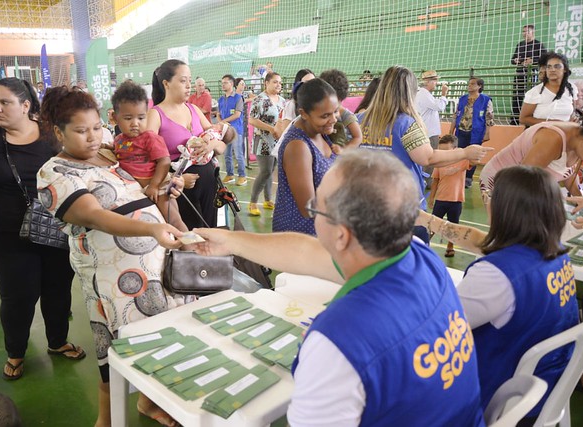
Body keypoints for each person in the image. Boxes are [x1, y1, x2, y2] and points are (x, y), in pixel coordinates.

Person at [194, 150, 485, 426]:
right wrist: (230, 241)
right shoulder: (419, 257)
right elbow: (304, 253)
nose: (314, 214)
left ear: (342, 237)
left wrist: (324, 344)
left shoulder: (337, 344)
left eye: (317, 208)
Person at [37, 86, 190, 427]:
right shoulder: (54, 173)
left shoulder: (109, 154)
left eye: (95, 127)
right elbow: (93, 215)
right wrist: (150, 230)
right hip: (112, 280)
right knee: (116, 352)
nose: (92, 137)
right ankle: (105, 420)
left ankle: (149, 403)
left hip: (154, 267)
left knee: (160, 337)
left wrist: (171, 188)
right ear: (59, 132)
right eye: (80, 131)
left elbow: (139, 191)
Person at [419, 166, 579, 425]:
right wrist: (427, 220)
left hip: (501, 393)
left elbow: (437, 325)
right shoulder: (554, 251)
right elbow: (486, 243)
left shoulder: (496, 276)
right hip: (545, 383)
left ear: (507, 211)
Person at [0, 78, 84, 381]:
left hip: (54, 228)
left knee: (57, 288)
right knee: (18, 296)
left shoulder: (50, 136)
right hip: (6, 233)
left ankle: (57, 342)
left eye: (5, 103)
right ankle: (16, 352)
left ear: (26, 106)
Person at [359, 66, 491, 242]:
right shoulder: (405, 123)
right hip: (404, 207)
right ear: (409, 92)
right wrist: (465, 152)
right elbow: (428, 157)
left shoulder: (360, 120)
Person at [147, 59, 228, 229]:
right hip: (179, 190)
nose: (188, 86)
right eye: (183, 81)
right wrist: (177, 179)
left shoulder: (193, 109)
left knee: (211, 233)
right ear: (166, 83)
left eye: (190, 81)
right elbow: (148, 160)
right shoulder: (155, 114)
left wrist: (211, 145)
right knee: (189, 240)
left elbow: (221, 144)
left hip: (209, 184)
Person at [109, 81, 188, 231]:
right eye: (128, 118)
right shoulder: (119, 140)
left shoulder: (150, 138)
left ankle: (190, 250)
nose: (135, 123)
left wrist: (154, 186)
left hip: (158, 189)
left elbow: (164, 162)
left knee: (174, 222)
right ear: (115, 118)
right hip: (138, 191)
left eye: (141, 118)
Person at [272, 78, 337, 236]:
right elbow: (309, 208)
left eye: (336, 111)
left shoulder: (320, 132)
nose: (334, 119)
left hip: (322, 231)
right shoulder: (298, 147)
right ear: (303, 114)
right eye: (325, 116)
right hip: (301, 237)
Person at [479, 121, 583, 202]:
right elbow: (523, 180)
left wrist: (582, 201)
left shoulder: (577, 141)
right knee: (509, 228)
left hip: (528, 187)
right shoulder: (552, 140)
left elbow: (568, 174)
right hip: (503, 183)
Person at [248, 71, 286, 216]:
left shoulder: (282, 100)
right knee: (265, 171)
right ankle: (252, 203)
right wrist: (271, 129)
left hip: (277, 141)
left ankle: (268, 199)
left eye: (280, 82)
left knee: (271, 170)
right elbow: (252, 120)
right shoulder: (260, 99)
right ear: (267, 83)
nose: (279, 85)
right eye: (275, 82)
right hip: (262, 141)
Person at [428, 135, 470, 257]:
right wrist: (431, 198)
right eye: (441, 151)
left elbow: (474, 160)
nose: (444, 154)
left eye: (446, 151)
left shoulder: (463, 161)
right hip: (441, 199)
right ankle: (425, 242)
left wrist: (464, 152)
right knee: (433, 223)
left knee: (453, 226)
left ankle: (450, 247)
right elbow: (435, 181)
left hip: (456, 201)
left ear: (455, 150)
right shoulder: (439, 163)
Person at [449, 77, 495, 187]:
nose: (469, 86)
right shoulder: (462, 99)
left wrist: (487, 132)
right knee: (460, 153)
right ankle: (459, 175)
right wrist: (451, 130)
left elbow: (489, 117)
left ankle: (468, 178)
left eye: (473, 84)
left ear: (479, 86)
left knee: (474, 155)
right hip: (461, 130)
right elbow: (456, 115)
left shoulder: (486, 100)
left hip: (476, 132)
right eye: (469, 84)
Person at [520, 52, 578, 127]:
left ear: (565, 69)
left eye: (557, 66)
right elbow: (523, 119)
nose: (552, 70)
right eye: (549, 67)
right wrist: (551, 123)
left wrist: (570, 122)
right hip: (541, 134)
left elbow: (573, 112)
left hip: (565, 133)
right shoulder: (535, 92)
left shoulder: (571, 89)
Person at [415, 70, 449, 187]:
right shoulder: (424, 94)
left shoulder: (422, 94)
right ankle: (425, 181)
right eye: (435, 81)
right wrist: (444, 94)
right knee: (430, 158)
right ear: (428, 82)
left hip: (425, 130)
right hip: (429, 132)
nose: (436, 83)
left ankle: (424, 180)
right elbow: (439, 106)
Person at [510, 24, 547, 125]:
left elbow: (545, 60)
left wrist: (533, 61)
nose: (524, 34)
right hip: (520, 73)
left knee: (531, 97)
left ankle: (530, 120)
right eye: (523, 31)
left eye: (527, 31)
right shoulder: (520, 45)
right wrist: (516, 60)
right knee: (517, 96)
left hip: (533, 74)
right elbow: (512, 60)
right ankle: (515, 120)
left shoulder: (539, 45)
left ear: (533, 32)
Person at [318, 69, 362, 150]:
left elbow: (358, 137)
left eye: (335, 110)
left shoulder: (346, 116)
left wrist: (343, 151)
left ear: (341, 99)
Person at [218, 74, 247, 186]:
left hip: (236, 130)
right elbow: (218, 114)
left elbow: (237, 114)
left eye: (225, 82)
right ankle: (230, 175)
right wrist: (221, 121)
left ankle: (242, 176)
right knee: (227, 154)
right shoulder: (221, 99)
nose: (223, 85)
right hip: (225, 131)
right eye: (222, 83)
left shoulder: (238, 98)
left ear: (231, 84)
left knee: (238, 154)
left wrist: (223, 121)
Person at [273, 68, 314, 140]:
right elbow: (287, 133)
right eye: (306, 82)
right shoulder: (292, 104)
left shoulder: (317, 104)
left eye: (313, 82)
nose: (310, 86)